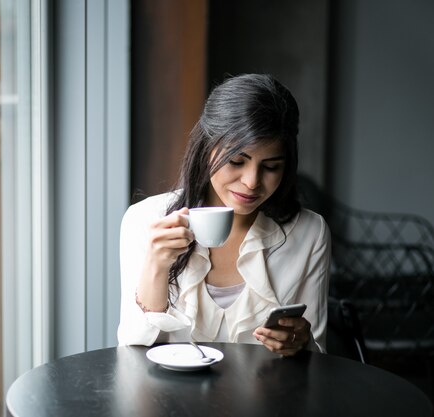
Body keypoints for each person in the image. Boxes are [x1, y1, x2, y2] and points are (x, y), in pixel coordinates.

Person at [117, 73, 331, 356]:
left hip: (266, 398)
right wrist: (157, 265)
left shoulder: (308, 233)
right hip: (169, 397)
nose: (252, 181)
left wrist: (300, 344)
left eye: (271, 167)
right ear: (207, 148)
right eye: (236, 161)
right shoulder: (145, 220)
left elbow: (317, 354)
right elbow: (130, 347)